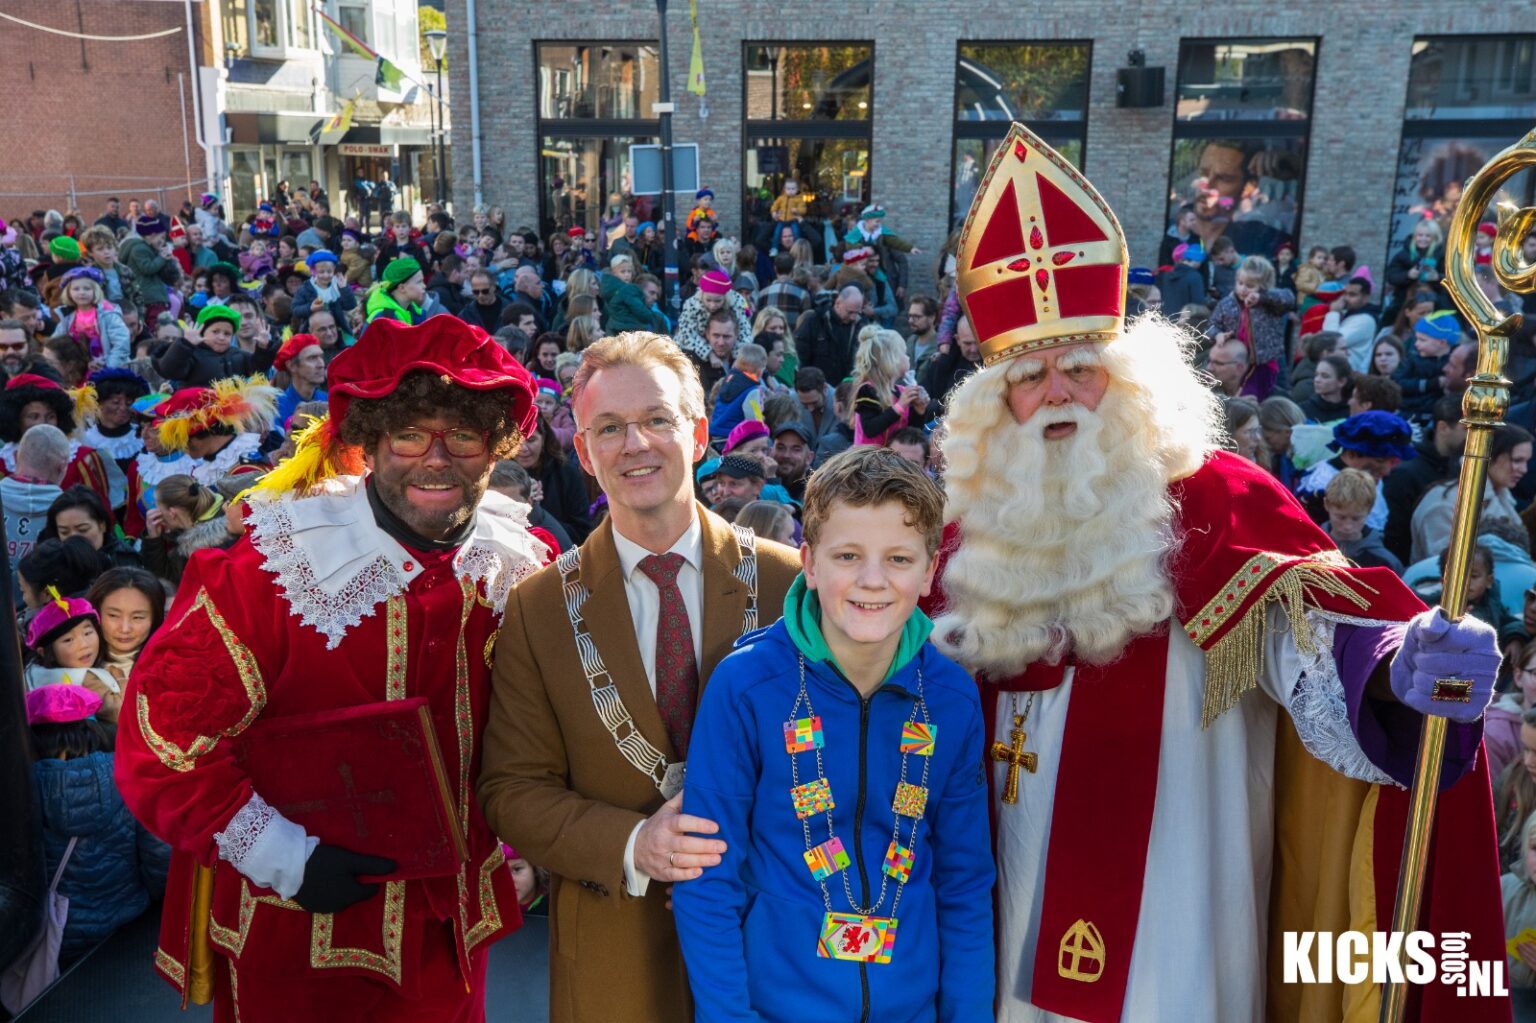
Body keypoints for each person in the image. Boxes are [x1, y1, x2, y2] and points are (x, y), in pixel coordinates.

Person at [930, 124, 1504, 1022]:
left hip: (1177, 912)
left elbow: (1318, 646)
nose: (1056, 395)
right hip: (993, 892)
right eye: (1029, 376)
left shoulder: (1220, 500)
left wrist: (1399, 662)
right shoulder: (965, 531)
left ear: (1128, 379)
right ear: (994, 401)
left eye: (1080, 367)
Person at [115, 316, 549, 1020]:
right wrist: (286, 857)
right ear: (370, 442)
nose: (436, 458)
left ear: (494, 447)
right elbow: (160, 746)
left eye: (463, 435)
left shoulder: (520, 569)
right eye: (410, 433)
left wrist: (524, 840)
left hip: (450, 940)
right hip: (297, 935)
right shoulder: (272, 571)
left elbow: (534, 735)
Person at [477, 330, 802, 1023]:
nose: (636, 444)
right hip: (612, 956)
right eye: (611, 427)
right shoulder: (536, 607)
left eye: (657, 419)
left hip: (773, 948)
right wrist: (633, 844)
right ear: (587, 453)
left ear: (700, 433)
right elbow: (512, 789)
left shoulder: (789, 583)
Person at [674, 446, 994, 1019]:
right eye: (848, 555)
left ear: (929, 572)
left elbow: (965, 883)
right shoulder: (746, 686)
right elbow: (709, 881)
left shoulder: (951, 697)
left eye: (899, 559)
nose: (872, 580)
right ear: (810, 563)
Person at [26, 684, 170, 967]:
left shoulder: (19, 790)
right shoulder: (127, 777)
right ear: (92, 730)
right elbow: (160, 855)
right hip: (127, 922)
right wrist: (147, 899)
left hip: (56, 935)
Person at [1412, 424, 1532, 564]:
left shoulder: (1502, 497)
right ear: (1488, 455)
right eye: (1517, 460)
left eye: (1526, 461)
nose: (1524, 469)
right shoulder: (1444, 503)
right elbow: (1442, 565)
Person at [0, 373, 114, 512]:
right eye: (33, 416)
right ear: (16, 419)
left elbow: (100, 511)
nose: (42, 423)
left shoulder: (83, 459)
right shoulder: (3, 461)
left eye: (50, 416)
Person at [150, 375, 276, 484]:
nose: (181, 447)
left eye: (184, 439)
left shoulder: (245, 469)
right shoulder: (211, 465)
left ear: (205, 431)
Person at [513, 414, 592, 544]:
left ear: (544, 439)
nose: (523, 448)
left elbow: (581, 532)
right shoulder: (498, 475)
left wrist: (538, 513)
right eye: (516, 441)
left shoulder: (566, 473)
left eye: (531, 440)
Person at [85, 566, 165, 688]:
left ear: (155, 618)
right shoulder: (73, 661)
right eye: (113, 615)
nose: (124, 629)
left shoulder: (168, 668)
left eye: (137, 617)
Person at [852, 327, 928, 446]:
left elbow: (911, 434)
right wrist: (899, 406)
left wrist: (919, 411)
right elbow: (870, 429)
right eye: (904, 353)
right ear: (891, 360)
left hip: (893, 459)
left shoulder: (901, 392)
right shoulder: (868, 390)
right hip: (868, 459)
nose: (908, 358)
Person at [1321, 467, 1403, 574]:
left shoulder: (1385, 562)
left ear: (1369, 510)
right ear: (1326, 505)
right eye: (1340, 517)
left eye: (1356, 518)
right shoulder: (1307, 551)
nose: (1348, 526)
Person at [42, 486, 142, 569]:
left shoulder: (125, 561)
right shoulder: (49, 561)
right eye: (64, 532)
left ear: (102, 525)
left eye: (83, 530)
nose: (74, 538)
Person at [51, 267, 131, 368]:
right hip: (79, 371)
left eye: (87, 288)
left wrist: (109, 368)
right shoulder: (67, 317)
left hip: (109, 368)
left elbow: (121, 343)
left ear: (96, 291)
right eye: (76, 289)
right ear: (69, 293)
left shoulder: (108, 313)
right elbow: (55, 343)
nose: (81, 292)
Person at [797, 285, 871, 387]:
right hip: (817, 386)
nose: (853, 317)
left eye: (857, 312)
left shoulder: (862, 326)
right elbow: (802, 356)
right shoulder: (815, 321)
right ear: (838, 303)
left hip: (849, 387)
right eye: (850, 312)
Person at [675, 268, 752, 362]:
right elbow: (686, 334)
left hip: (728, 349)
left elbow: (744, 332)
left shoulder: (737, 302)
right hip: (693, 349)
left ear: (725, 297)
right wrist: (709, 353)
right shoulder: (691, 304)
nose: (712, 305)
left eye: (717, 301)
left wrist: (737, 356)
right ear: (702, 295)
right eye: (708, 300)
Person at [271, 333, 328, 428]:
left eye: (321, 357)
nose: (321, 364)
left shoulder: (328, 400)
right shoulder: (277, 409)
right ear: (292, 366)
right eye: (312, 358)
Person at [363, 256, 427, 327]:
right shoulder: (383, 319)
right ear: (402, 288)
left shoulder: (415, 312)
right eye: (419, 282)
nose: (424, 286)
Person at [1300, 353, 1353, 423]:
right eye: (1316, 375)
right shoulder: (1303, 409)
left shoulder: (1351, 411)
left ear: (1342, 382)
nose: (1317, 380)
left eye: (1325, 376)